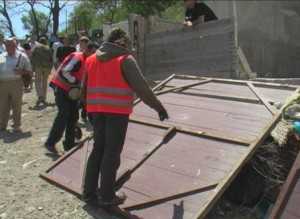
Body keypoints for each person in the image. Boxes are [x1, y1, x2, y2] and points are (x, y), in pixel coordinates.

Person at [82, 28, 169, 206]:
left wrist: (87, 110)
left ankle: (88, 193)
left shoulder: (91, 59)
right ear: (122, 42)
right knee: (111, 153)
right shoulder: (125, 60)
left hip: (96, 112)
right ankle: (107, 196)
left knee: (98, 150)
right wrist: (159, 108)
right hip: (117, 113)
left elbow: (84, 89)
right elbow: (142, 88)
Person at [44, 40, 94, 154]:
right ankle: (50, 143)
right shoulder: (78, 57)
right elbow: (64, 72)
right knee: (63, 114)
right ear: (88, 50)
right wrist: (76, 82)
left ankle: (69, 143)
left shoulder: (88, 60)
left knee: (73, 115)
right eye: (93, 53)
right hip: (61, 88)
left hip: (71, 91)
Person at [0, 38, 32, 132]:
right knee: (3, 105)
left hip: (17, 83)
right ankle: (2, 125)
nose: (8, 47)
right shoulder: (1, 56)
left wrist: (22, 71)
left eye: (11, 45)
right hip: (2, 84)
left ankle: (16, 125)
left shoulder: (22, 56)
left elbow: (30, 71)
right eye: (7, 45)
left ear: (15, 46)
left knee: (16, 105)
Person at [31, 37, 53, 106]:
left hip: (38, 66)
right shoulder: (48, 48)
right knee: (44, 82)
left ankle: (40, 96)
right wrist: (50, 68)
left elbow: (32, 57)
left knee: (37, 81)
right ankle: (44, 98)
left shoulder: (36, 47)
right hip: (46, 67)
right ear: (45, 41)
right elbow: (51, 59)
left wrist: (32, 67)